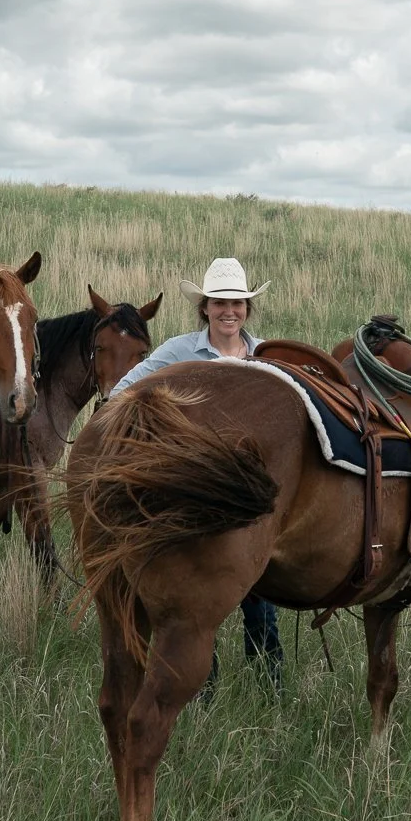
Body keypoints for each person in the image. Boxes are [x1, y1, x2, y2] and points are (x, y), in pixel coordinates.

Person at [108, 257, 282, 693]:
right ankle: (204, 685)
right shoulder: (179, 352)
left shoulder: (266, 357)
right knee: (200, 592)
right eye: (220, 302)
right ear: (204, 307)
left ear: (247, 308)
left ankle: (269, 686)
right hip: (197, 490)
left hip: (251, 492)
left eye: (238, 303)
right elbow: (122, 391)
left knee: (258, 591)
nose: (230, 311)